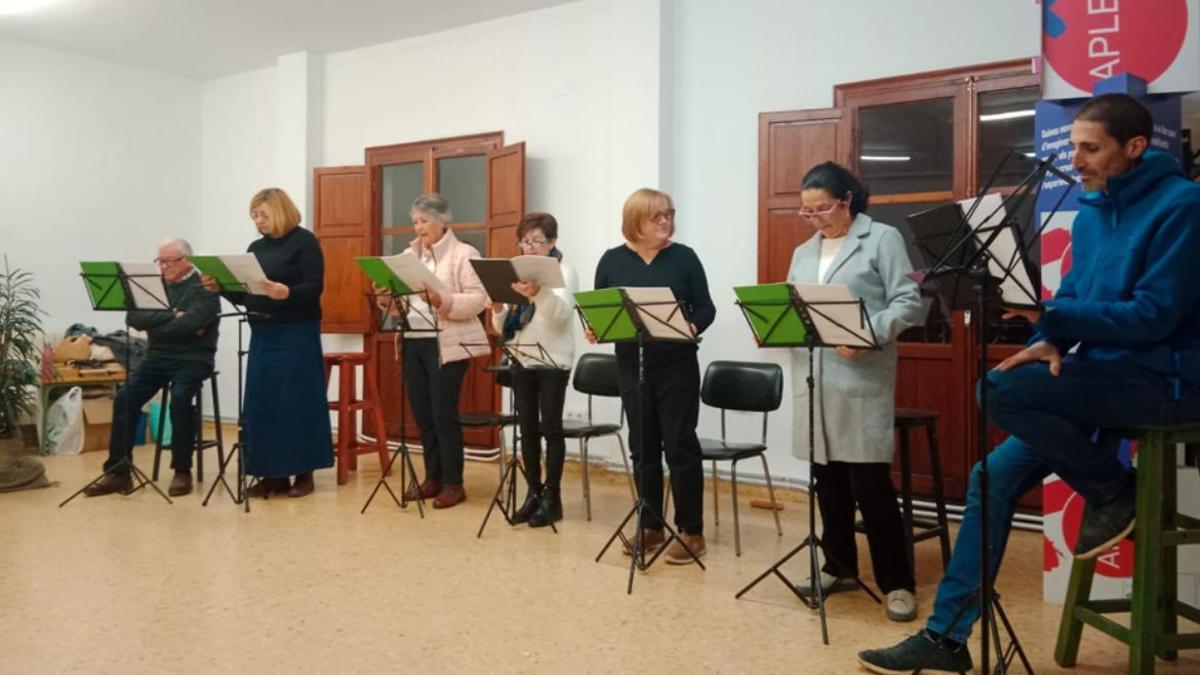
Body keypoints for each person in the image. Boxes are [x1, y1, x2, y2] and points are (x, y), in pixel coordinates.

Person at [859, 94, 1200, 673]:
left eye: (1091, 148)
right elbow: (1071, 302)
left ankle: (1113, 491)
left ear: (1135, 147)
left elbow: (1153, 316)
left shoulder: (1184, 207)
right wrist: (1050, 336)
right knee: (989, 477)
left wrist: (1054, 318)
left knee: (1000, 391)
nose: (1077, 159)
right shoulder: (1093, 209)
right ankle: (947, 638)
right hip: (1099, 373)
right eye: (1073, 146)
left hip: (1161, 380)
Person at [787, 162, 924, 622]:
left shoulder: (881, 238)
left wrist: (868, 331)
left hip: (860, 375)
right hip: (817, 378)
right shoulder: (804, 250)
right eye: (806, 212)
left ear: (847, 200)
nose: (815, 218)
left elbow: (908, 303)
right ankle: (838, 566)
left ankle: (898, 583)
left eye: (822, 208)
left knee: (872, 487)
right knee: (828, 484)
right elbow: (795, 306)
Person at [591, 187, 715, 563]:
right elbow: (601, 309)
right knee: (642, 449)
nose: (666, 221)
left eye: (669, 214)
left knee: (680, 446)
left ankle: (692, 531)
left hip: (677, 364)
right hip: (632, 364)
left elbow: (706, 307)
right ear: (635, 222)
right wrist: (597, 328)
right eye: (657, 216)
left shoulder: (684, 258)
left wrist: (693, 325)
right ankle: (650, 526)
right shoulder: (611, 261)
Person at [203, 187, 332, 498]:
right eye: (254, 216)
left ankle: (304, 472)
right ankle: (272, 474)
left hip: (296, 331)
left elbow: (315, 286)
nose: (258, 221)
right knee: (264, 404)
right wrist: (220, 288)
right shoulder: (255, 247)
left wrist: (286, 292)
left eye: (263, 215)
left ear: (281, 212)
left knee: (296, 401)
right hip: (263, 332)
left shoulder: (304, 241)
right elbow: (246, 294)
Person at [84, 238, 220, 498]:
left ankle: (182, 470)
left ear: (187, 261)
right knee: (125, 398)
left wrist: (160, 323)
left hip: (193, 357)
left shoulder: (205, 286)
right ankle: (118, 472)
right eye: (161, 260)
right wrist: (173, 313)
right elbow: (133, 318)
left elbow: (190, 326)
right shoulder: (150, 285)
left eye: (170, 261)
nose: (164, 266)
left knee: (180, 399)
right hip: (156, 357)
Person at [382, 193, 488, 510]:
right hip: (413, 339)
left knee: (443, 415)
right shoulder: (408, 255)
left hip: (446, 343)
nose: (418, 228)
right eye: (414, 221)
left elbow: (478, 299)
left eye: (424, 221)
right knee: (423, 415)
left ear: (443, 221)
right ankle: (432, 479)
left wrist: (442, 301)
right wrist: (388, 300)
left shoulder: (463, 253)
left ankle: (454, 484)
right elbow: (405, 302)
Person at [490, 213, 578, 528]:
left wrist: (537, 293)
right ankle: (533, 493)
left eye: (536, 241)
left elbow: (560, 315)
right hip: (522, 357)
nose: (529, 247)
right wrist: (499, 311)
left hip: (554, 360)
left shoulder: (564, 271)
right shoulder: (518, 272)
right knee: (527, 429)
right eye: (525, 241)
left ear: (552, 242)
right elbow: (506, 327)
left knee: (550, 429)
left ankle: (553, 498)